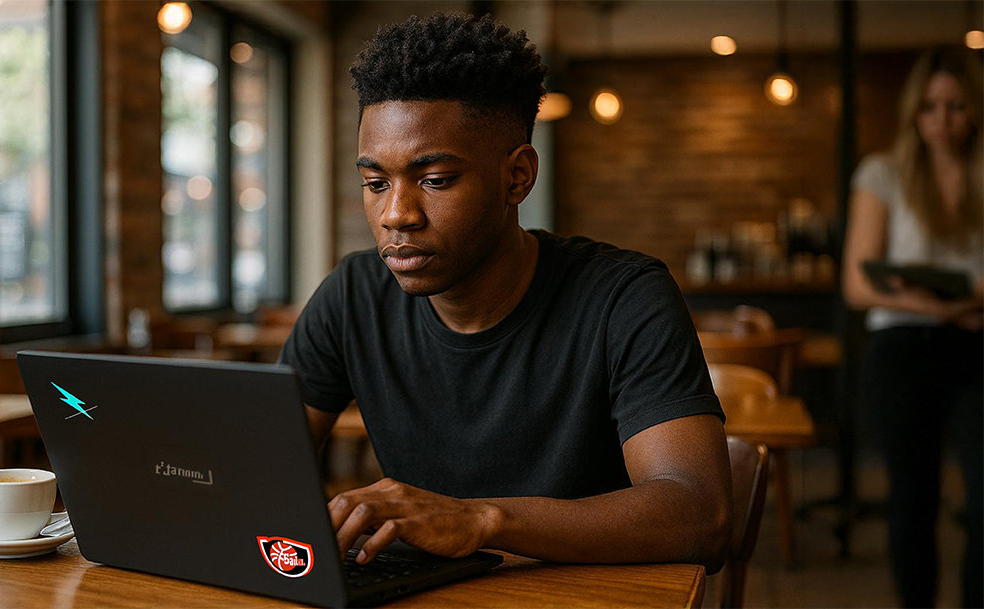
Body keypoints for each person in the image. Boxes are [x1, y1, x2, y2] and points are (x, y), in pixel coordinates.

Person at [280, 13, 731, 571]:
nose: (396, 214)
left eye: (435, 180)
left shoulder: (625, 297)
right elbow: (259, 464)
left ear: (517, 177)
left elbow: (698, 513)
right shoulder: (353, 293)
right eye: (375, 183)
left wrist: (480, 520)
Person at [842, 45, 983, 608]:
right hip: (903, 347)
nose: (941, 121)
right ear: (912, 112)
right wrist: (940, 307)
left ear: (975, 109)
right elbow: (858, 284)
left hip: (978, 345)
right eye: (929, 107)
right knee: (912, 501)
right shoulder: (883, 172)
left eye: (955, 106)